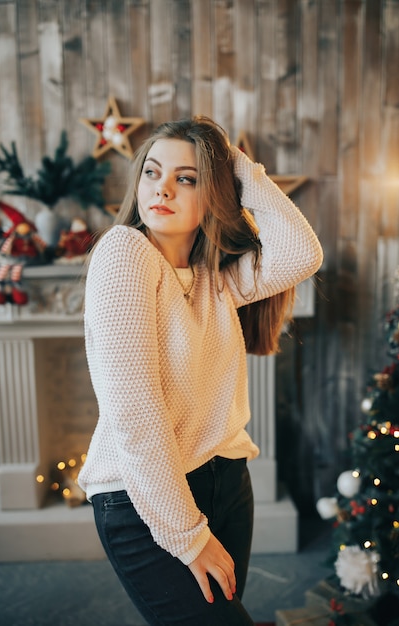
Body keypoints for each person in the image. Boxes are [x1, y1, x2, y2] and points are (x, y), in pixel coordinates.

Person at [77, 115, 323, 625]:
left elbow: (303, 253)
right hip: (145, 502)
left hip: (227, 483)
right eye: (152, 171)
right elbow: (136, 414)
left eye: (186, 177)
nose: (162, 187)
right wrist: (186, 535)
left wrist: (241, 171)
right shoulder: (124, 253)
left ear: (213, 193)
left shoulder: (214, 280)